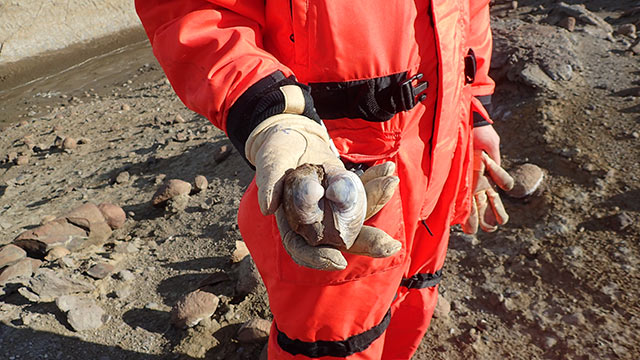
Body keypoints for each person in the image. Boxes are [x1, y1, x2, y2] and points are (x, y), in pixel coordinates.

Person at [135, 0, 513, 358]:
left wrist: (474, 106)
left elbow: (470, 11)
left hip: (444, 149)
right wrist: (270, 110)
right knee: (331, 342)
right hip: (331, 163)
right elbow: (198, 12)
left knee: (414, 293)